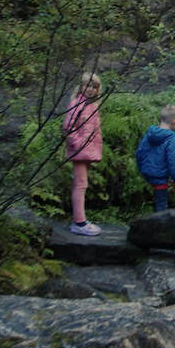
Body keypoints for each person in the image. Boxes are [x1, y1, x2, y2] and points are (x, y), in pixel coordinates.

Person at [63, 72, 103, 235]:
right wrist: (77, 143)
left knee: (80, 184)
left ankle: (79, 220)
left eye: (94, 87)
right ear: (80, 86)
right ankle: (79, 223)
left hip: (88, 150)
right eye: (87, 85)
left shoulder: (91, 106)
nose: (90, 89)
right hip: (80, 150)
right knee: (81, 184)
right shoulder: (77, 104)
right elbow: (68, 126)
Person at [135, 104, 175, 212]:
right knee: (161, 206)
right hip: (160, 178)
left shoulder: (150, 133)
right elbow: (174, 162)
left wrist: (142, 169)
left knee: (156, 201)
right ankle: (159, 226)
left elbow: (139, 153)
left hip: (147, 173)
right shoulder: (171, 138)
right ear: (174, 121)